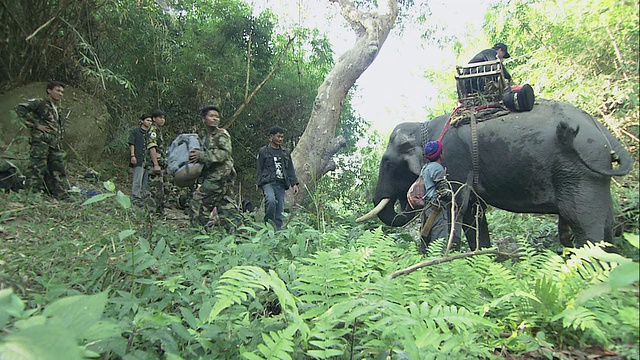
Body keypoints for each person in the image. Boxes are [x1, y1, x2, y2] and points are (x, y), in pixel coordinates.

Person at [15, 81, 70, 199]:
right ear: (49, 90)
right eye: (58, 90)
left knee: (57, 167)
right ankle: (32, 194)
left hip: (54, 143)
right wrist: (35, 125)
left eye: (62, 92)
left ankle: (60, 193)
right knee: (37, 167)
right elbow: (20, 108)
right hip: (41, 141)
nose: (60, 94)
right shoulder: (40, 102)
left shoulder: (58, 108)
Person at [188, 105, 239, 231]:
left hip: (220, 175)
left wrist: (203, 156)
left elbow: (225, 153)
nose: (215, 119)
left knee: (197, 203)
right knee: (227, 207)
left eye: (217, 117)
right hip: (216, 176)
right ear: (203, 118)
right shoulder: (204, 137)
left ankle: (200, 235)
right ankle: (239, 234)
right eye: (211, 116)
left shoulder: (222, 134)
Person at [256, 126, 299, 230]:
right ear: (271, 137)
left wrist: (294, 184)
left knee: (279, 210)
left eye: (282, 137)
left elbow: (290, 169)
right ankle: (268, 227)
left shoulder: (285, 152)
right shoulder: (263, 151)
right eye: (278, 136)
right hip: (268, 183)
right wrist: (259, 184)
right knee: (270, 201)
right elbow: (259, 169)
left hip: (281, 184)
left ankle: (277, 234)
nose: (280, 139)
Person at [418, 140, 450, 253]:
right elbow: (444, 193)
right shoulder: (437, 168)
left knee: (426, 241)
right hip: (437, 210)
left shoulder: (425, 168)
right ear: (440, 154)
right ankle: (437, 267)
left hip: (426, 209)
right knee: (439, 242)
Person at [144, 109, 167, 214]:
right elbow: (152, 147)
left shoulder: (158, 130)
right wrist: (156, 164)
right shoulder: (153, 130)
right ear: (154, 119)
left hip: (159, 164)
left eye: (163, 118)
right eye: (160, 118)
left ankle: (158, 212)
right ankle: (151, 213)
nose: (162, 120)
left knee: (160, 190)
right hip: (154, 165)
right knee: (153, 190)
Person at [129, 114, 152, 206]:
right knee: (137, 179)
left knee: (146, 180)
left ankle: (144, 197)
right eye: (147, 120)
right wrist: (132, 155)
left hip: (148, 160)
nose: (149, 122)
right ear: (142, 121)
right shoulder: (136, 131)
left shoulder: (151, 133)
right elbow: (132, 144)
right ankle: (135, 197)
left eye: (150, 121)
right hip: (138, 158)